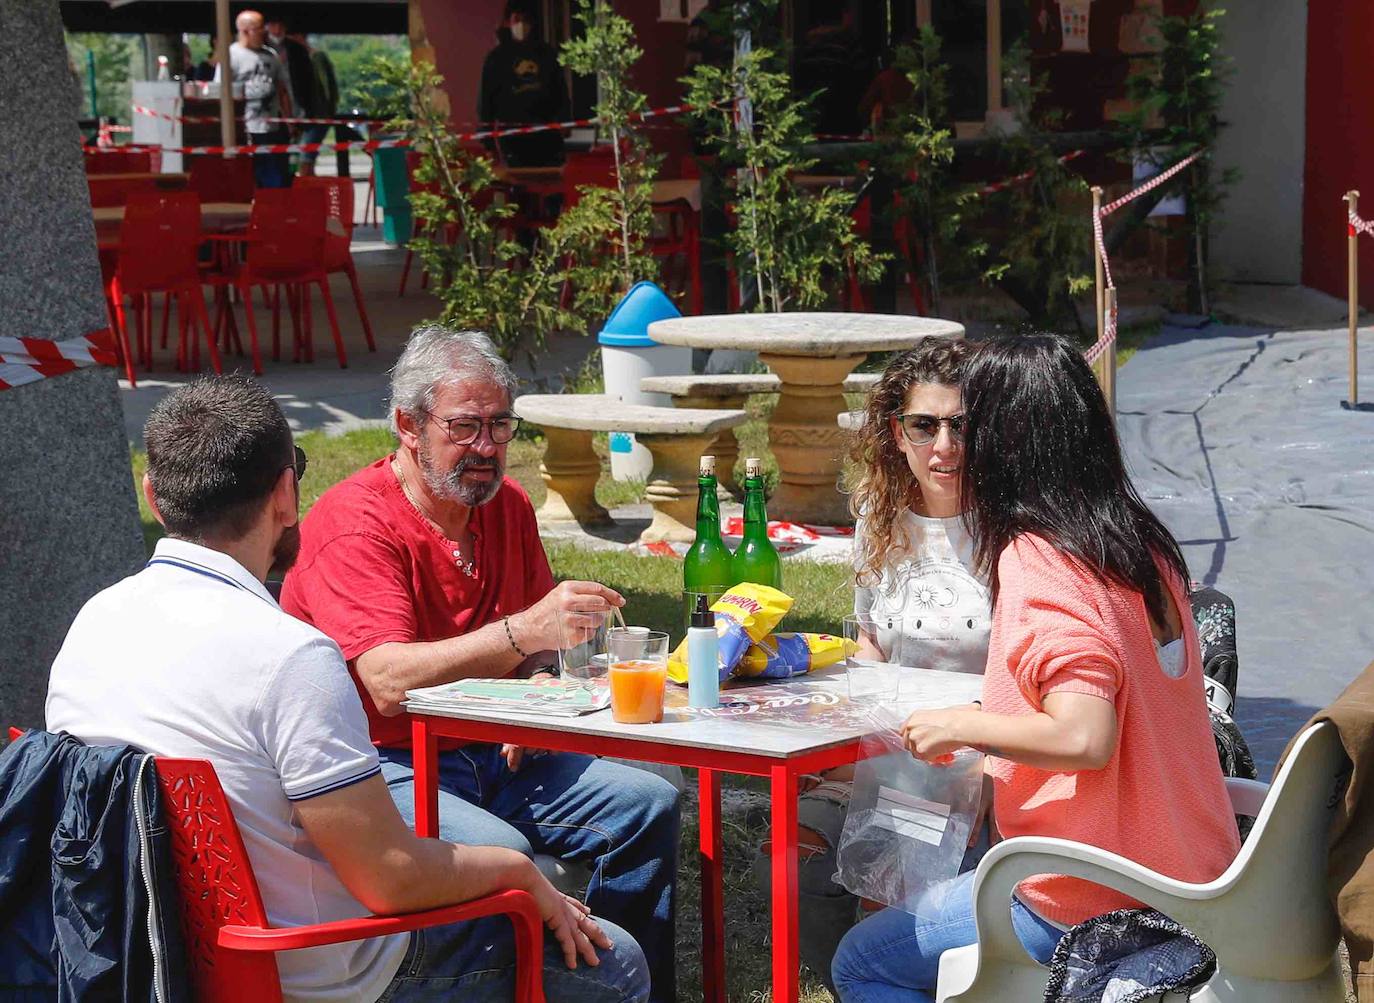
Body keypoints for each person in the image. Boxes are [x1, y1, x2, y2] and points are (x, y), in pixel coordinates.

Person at [46, 375, 650, 1003]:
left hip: (149, 960)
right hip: (317, 971)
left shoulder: (91, 624)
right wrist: (521, 874)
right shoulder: (289, 656)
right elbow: (389, 880)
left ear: (154, 494)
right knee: (617, 964)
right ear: (286, 493)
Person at [830, 334, 1243, 1002]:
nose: (958, 446)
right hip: (1195, 876)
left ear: (1008, 438)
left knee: (862, 963)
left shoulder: (1038, 558)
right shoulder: (1139, 540)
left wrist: (968, 724)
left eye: (973, 425)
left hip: (1088, 894)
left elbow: (1085, 735)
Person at [281, 326, 680, 1003]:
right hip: (385, 766)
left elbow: (535, 650)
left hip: (494, 753)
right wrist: (520, 634)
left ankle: (615, 982)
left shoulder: (508, 507)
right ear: (408, 425)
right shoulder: (357, 521)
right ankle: (546, 983)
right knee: (506, 856)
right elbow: (386, 683)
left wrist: (536, 681)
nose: (489, 449)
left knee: (649, 801)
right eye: (466, 428)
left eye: (501, 426)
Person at [756, 338, 992, 989]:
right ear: (898, 430)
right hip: (897, 749)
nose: (943, 445)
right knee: (789, 849)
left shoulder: (1013, 531)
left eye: (961, 424)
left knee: (904, 875)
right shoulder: (878, 515)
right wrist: (836, 736)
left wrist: (984, 759)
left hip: (991, 755)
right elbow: (871, 645)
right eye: (925, 424)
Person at [478, 1, 569, 166]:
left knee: (550, 186)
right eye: (517, 19)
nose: (521, 24)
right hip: (512, 139)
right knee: (518, 187)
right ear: (508, 22)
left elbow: (561, 92)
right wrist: (487, 141)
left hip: (547, 139)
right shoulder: (496, 58)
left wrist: (566, 122)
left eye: (526, 19)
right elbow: (485, 102)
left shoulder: (547, 54)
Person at [216, 10, 293, 188]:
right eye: (259, 29)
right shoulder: (230, 56)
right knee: (250, 177)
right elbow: (219, 91)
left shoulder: (271, 56)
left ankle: (274, 209)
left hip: (272, 128)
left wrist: (290, 122)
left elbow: (282, 90)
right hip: (245, 129)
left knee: (276, 177)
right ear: (244, 31)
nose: (264, 33)